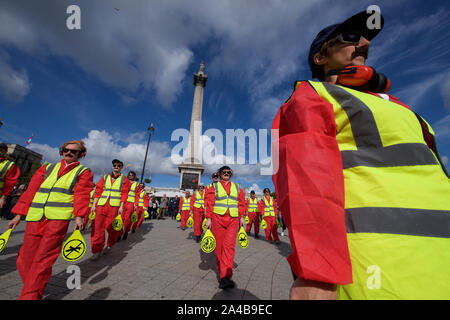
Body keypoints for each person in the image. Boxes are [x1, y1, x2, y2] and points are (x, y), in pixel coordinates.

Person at [272, 10, 450, 300]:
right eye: (351, 37)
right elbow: (305, 179)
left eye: (366, 40)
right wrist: (318, 274)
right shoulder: (314, 94)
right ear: (320, 58)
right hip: (376, 265)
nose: (365, 43)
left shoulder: (401, 107)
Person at [8, 140, 93, 300]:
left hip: (57, 220)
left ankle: (29, 296)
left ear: (80, 155)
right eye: (66, 150)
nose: (68, 153)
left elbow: (82, 194)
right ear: (61, 151)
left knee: (43, 260)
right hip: (35, 217)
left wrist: (80, 216)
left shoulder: (83, 171)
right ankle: (34, 289)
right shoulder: (47, 168)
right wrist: (18, 215)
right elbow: (30, 191)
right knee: (24, 260)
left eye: (73, 152)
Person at [205, 166, 245, 290]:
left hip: (233, 220)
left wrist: (242, 217)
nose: (226, 174)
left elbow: (241, 203)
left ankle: (225, 277)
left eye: (229, 172)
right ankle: (224, 274)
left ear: (231, 175)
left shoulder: (237, 187)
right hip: (217, 219)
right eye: (224, 172)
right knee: (218, 249)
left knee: (229, 247)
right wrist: (208, 218)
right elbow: (209, 203)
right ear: (219, 174)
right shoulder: (214, 187)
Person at [90, 159, 131, 260]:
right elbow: (98, 191)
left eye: (118, 165)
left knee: (111, 228)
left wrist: (121, 206)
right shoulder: (105, 177)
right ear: (112, 166)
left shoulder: (124, 179)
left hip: (114, 206)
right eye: (114, 165)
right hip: (101, 205)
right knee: (97, 228)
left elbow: (125, 193)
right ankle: (97, 250)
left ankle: (110, 245)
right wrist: (94, 205)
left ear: (121, 167)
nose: (116, 166)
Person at [0, 143, 20, 216]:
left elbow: (10, 183)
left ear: (5, 152)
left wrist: (3, 197)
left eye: (1, 150)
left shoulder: (9, 165)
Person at [122, 171, 138, 240]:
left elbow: (137, 195)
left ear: (134, 176)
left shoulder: (136, 184)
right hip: (123, 202)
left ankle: (126, 231)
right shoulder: (124, 182)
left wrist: (136, 204)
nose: (130, 176)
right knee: (121, 218)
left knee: (127, 219)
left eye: (132, 175)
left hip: (131, 203)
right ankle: (119, 234)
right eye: (129, 175)